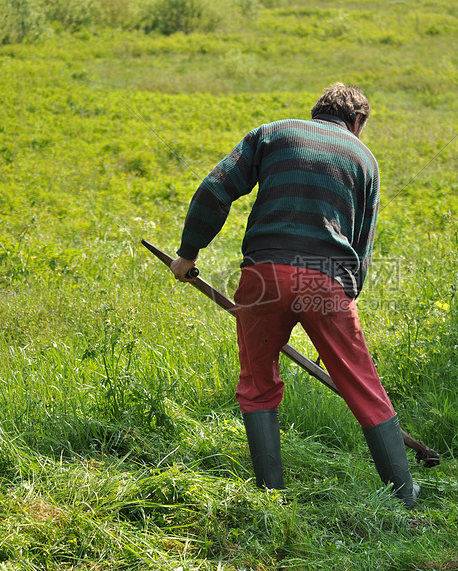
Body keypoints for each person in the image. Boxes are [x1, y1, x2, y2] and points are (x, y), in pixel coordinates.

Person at [169, 83, 418, 508]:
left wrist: (187, 254)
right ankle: (405, 494)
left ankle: (271, 497)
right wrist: (343, 308)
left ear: (317, 111)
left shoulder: (273, 133)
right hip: (328, 281)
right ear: (357, 122)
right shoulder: (365, 160)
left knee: (257, 383)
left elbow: (215, 189)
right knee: (362, 385)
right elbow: (363, 246)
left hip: (263, 275)